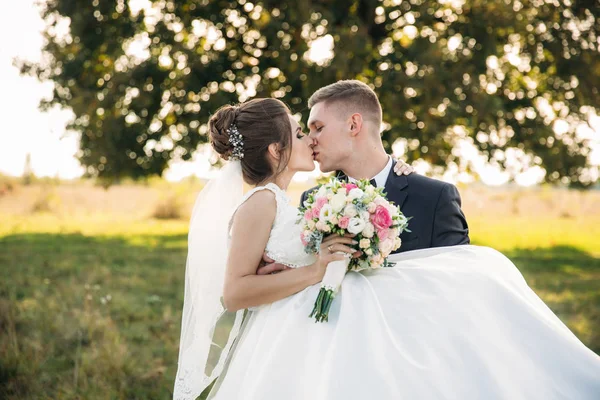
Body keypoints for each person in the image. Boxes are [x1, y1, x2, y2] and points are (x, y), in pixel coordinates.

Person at [173, 96, 600, 400]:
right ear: (276, 149)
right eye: (302, 132)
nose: (311, 139)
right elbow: (245, 286)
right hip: (314, 340)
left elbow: (451, 281)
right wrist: (308, 270)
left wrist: (292, 267)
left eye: (314, 129)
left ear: (354, 125)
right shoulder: (301, 203)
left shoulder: (428, 195)